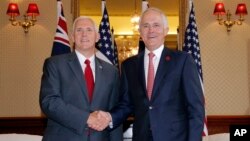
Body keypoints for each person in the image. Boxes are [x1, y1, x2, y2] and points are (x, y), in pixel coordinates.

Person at [91, 7, 205, 141]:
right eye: (146, 26)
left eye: (156, 25)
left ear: (166, 31)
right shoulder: (129, 65)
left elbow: (195, 108)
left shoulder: (183, 60)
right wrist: (109, 117)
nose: (151, 30)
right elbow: (127, 104)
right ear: (140, 32)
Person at [39, 16, 122, 141]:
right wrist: (86, 118)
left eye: (89, 30)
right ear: (72, 37)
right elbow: (49, 102)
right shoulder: (55, 64)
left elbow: (113, 111)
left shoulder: (112, 71)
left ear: (97, 37)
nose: (84, 34)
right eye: (79, 30)